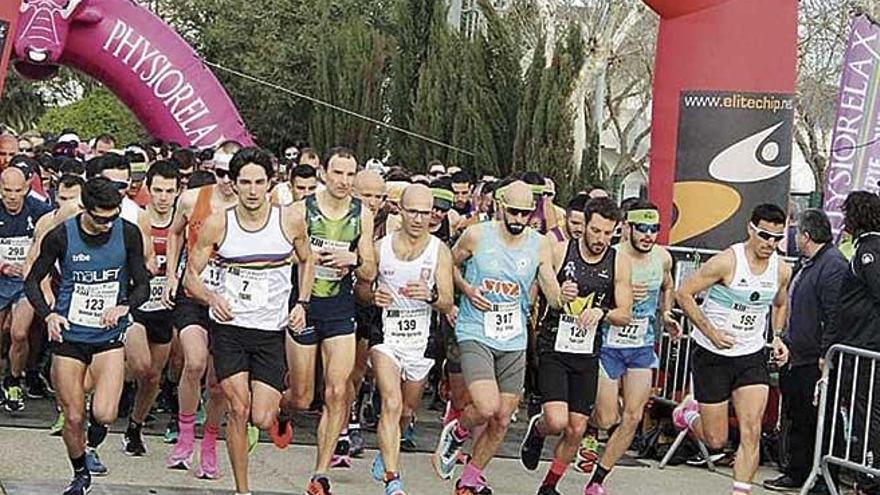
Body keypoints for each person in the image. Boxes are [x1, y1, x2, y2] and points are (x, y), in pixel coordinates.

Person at [432, 181, 575, 494]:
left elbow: (549, 286)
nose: (519, 218)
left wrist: (561, 296)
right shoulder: (477, 234)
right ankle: (457, 431)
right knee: (485, 407)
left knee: (502, 418)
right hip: (475, 330)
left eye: (525, 213)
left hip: (513, 337)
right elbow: (448, 264)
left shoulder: (539, 244)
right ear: (500, 205)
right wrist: (466, 291)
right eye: (513, 211)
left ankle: (470, 478)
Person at [185, 147, 311, 495]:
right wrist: (211, 298)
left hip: (270, 332)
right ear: (234, 185)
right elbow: (190, 277)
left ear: (271, 184)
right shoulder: (217, 223)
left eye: (259, 182)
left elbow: (307, 260)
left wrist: (302, 302)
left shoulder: (289, 220)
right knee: (238, 409)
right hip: (230, 331)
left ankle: (280, 413)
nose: (253, 190)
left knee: (261, 416)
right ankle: (243, 491)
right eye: (245, 183)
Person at [25, 177, 150, 495]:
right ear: (84, 208)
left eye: (114, 215)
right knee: (74, 416)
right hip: (70, 335)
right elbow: (32, 280)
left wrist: (125, 306)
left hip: (107, 334)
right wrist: (49, 313)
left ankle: (94, 438)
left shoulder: (128, 233)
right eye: (101, 218)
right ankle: (80, 473)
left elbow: (142, 284)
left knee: (105, 413)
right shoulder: (61, 236)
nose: (109, 224)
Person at [518, 197, 633, 494]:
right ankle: (538, 429)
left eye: (609, 234)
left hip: (586, 351)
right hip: (554, 346)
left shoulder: (618, 262)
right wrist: (557, 292)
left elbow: (625, 312)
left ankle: (549, 486)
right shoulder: (560, 251)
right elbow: (537, 287)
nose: (601, 239)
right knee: (557, 421)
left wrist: (603, 312)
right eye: (596, 231)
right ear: (584, 226)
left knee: (578, 428)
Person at [674, 203, 792, 495]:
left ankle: (740, 491)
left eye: (777, 238)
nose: (770, 244)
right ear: (750, 229)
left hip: (750, 356)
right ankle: (687, 415)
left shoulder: (781, 269)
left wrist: (777, 337)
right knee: (716, 440)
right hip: (712, 356)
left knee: (751, 429)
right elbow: (684, 293)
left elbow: (779, 303)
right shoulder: (727, 261)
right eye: (765, 236)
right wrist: (710, 332)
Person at [288, 147, 376, 495]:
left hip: (340, 308)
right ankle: (282, 411)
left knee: (337, 391)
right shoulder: (301, 211)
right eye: (338, 173)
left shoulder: (361, 215)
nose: (344, 181)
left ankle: (320, 473)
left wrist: (351, 258)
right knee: (301, 397)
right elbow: (283, 257)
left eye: (350, 174)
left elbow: (370, 270)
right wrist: (306, 258)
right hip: (305, 307)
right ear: (323, 172)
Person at [582, 200, 679, 495]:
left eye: (654, 229)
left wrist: (666, 313)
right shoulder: (613, 257)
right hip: (608, 344)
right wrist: (617, 299)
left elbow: (667, 284)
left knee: (634, 416)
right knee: (607, 417)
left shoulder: (662, 257)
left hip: (641, 344)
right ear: (627, 228)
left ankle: (598, 480)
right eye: (642, 229)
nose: (649, 235)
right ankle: (589, 426)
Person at [366, 184, 454, 495]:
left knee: (406, 409)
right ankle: (393, 478)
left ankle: (387, 449)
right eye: (412, 211)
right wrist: (372, 295)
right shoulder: (381, 247)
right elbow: (362, 290)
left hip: (421, 338)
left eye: (425, 213)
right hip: (386, 335)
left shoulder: (438, 250)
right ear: (400, 211)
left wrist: (431, 295)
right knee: (390, 402)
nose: (419, 219)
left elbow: (447, 301)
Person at [162, 147, 238, 473]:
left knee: (219, 380)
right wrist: (171, 275)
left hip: (232, 300)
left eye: (231, 175)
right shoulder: (192, 199)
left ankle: (209, 442)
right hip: (194, 292)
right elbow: (175, 232)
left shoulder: (254, 206)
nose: (225, 181)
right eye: (219, 173)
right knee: (193, 362)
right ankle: (185, 434)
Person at [762, 209, 846, 493]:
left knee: (814, 420)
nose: (795, 238)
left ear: (806, 236)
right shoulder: (806, 264)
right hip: (796, 355)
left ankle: (819, 476)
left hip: (815, 359)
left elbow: (834, 314)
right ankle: (797, 471)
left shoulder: (832, 266)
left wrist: (825, 353)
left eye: (797, 232)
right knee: (798, 417)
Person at [817, 192, 880, 495]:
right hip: (857, 347)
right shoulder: (864, 250)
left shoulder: (870, 252)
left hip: (864, 350)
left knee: (866, 413)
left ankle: (868, 477)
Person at [121, 161, 181, 457]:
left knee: (153, 377)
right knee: (141, 365)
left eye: (169, 191)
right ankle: (113, 389)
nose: (163, 197)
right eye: (157, 190)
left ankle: (135, 427)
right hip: (135, 304)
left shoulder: (182, 222)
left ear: (177, 191)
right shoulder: (135, 219)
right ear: (148, 189)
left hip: (164, 307)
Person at [0, 167, 53, 411]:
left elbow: (50, 245)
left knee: (19, 333)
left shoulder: (39, 211)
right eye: (6, 190)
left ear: (26, 189)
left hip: (26, 282)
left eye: (17, 191)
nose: (12, 196)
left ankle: (13, 380)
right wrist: (3, 266)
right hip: (1, 279)